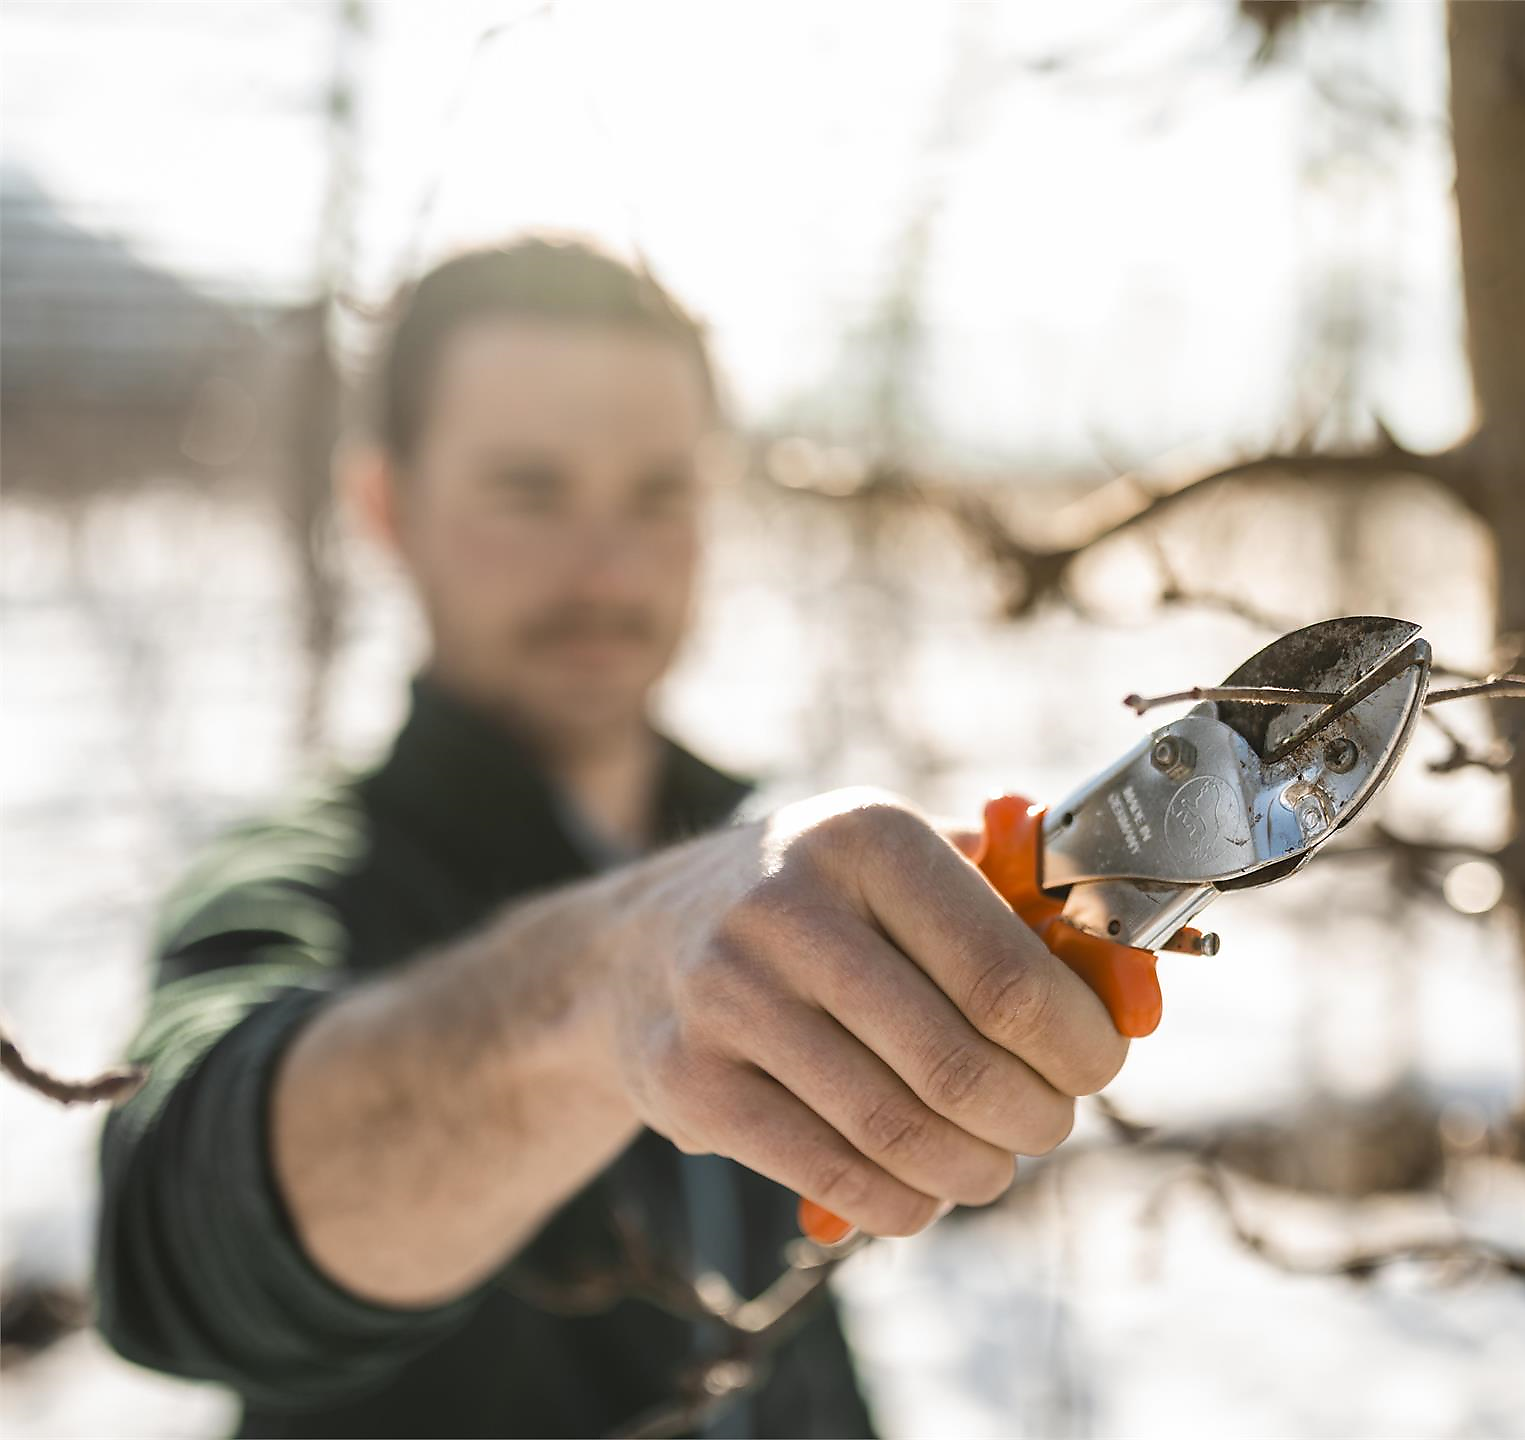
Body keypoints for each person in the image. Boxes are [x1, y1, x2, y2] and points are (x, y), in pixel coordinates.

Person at [94, 238, 1130, 1438]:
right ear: (388, 506)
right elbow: (176, 1240)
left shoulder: (759, 867)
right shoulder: (310, 876)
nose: (606, 564)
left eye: (658, 494)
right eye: (529, 490)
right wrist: (601, 988)